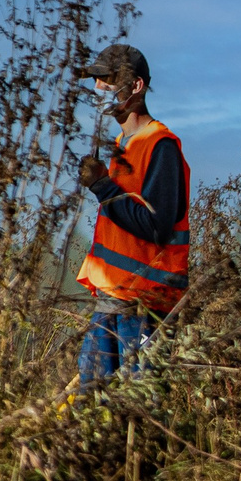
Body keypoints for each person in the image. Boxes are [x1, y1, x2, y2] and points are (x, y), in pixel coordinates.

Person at [72, 42, 190, 391]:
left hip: (145, 309)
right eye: (96, 81)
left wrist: (103, 187)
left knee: (139, 407)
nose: (98, 88)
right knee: (93, 405)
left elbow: (156, 226)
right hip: (114, 301)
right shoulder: (123, 144)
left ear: (136, 85)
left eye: (107, 80)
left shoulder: (160, 146)